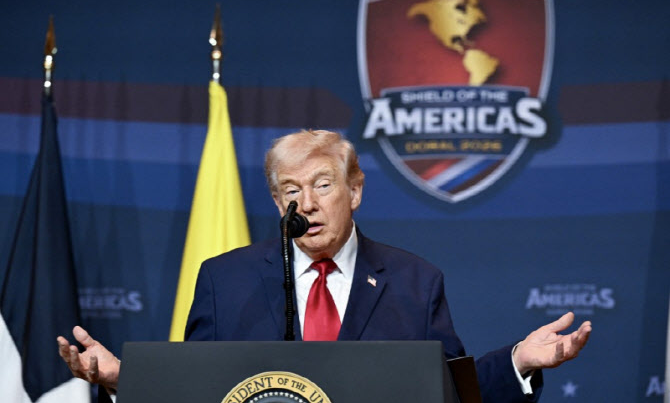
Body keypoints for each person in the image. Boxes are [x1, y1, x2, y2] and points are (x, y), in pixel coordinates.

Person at [58, 130, 592, 402]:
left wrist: (519, 361)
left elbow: (447, 391)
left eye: (322, 185)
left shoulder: (414, 282)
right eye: (291, 190)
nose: (307, 204)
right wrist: (124, 380)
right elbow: (194, 389)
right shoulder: (225, 280)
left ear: (354, 191)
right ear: (277, 203)